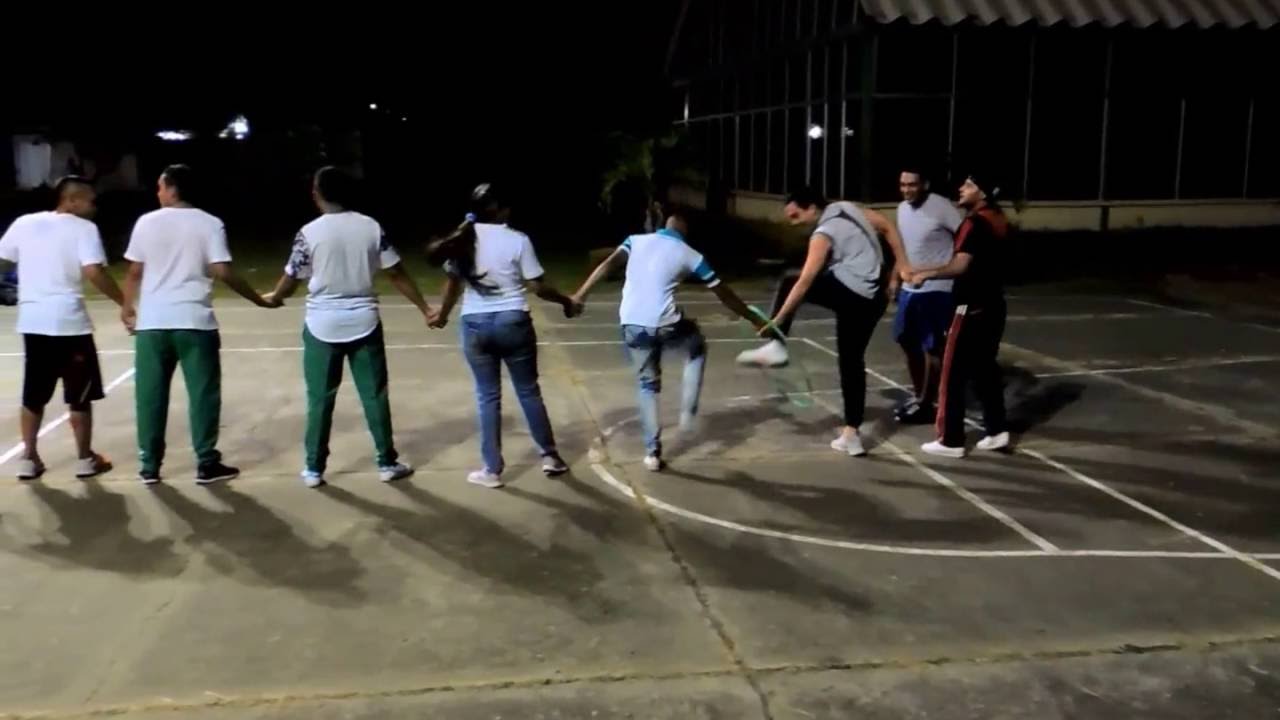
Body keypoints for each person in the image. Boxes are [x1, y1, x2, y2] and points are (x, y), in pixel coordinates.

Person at [264, 167, 431, 488]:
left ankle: (314, 468)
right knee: (374, 395)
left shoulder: (309, 232)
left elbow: (292, 276)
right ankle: (386, 462)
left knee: (320, 398)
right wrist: (425, 308)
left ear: (316, 194)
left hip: (322, 324)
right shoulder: (370, 227)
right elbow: (396, 272)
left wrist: (275, 297)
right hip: (364, 321)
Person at [572, 211, 769, 471]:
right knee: (696, 348)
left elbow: (608, 264)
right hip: (666, 322)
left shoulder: (635, 241)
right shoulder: (690, 254)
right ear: (684, 232)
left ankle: (652, 453)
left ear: (664, 226)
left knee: (647, 385)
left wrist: (581, 295)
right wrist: (754, 318)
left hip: (631, 322)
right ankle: (687, 413)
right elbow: (724, 294)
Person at [121, 164, 276, 485]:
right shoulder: (209, 223)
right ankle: (206, 462)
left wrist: (126, 306)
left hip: (153, 324)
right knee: (203, 395)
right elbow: (223, 271)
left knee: (150, 397)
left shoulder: (146, 222)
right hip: (194, 321)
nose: (157, 192)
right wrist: (257, 299)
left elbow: (135, 271)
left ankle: (149, 465)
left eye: (160, 186)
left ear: (172, 188)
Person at [736, 187, 910, 457]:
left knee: (791, 280)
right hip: (875, 299)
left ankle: (777, 346)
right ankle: (852, 435)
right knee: (851, 362)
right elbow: (887, 226)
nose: (793, 223)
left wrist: (777, 321)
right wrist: (899, 268)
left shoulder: (823, 233)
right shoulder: (848, 208)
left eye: (795, 216)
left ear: (811, 208)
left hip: (854, 295)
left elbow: (805, 282)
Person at [426, 183, 579, 489]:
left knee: (487, 396)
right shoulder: (517, 239)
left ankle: (492, 470)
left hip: (475, 324)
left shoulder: (463, 239)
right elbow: (538, 286)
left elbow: (453, 285)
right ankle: (550, 457)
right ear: (504, 210)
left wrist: (442, 315)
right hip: (513, 321)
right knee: (528, 391)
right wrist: (566, 301)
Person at [0, 176, 125, 479]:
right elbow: (94, 271)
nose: (94, 206)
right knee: (79, 395)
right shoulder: (84, 229)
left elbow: (2, 261)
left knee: (33, 394)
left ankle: (29, 458)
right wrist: (125, 302)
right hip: (70, 323)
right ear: (71, 201)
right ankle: (84, 458)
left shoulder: (24, 223)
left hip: (34, 322)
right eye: (90, 200)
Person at [909, 172, 1011, 458]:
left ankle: (950, 439)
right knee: (985, 369)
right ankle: (997, 430)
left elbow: (960, 265)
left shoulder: (974, 223)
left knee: (952, 373)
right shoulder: (998, 219)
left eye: (969, 185)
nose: (961, 189)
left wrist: (927, 273)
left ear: (982, 193)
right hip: (994, 304)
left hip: (970, 307)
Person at [893, 166, 963, 424]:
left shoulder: (942, 207)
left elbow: (966, 240)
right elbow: (903, 248)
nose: (906, 190)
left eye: (912, 185)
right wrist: (894, 277)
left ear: (925, 185)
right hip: (909, 288)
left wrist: (946, 269)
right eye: (903, 185)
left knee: (932, 348)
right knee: (905, 339)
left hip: (937, 289)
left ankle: (928, 403)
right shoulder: (902, 209)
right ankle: (919, 395)